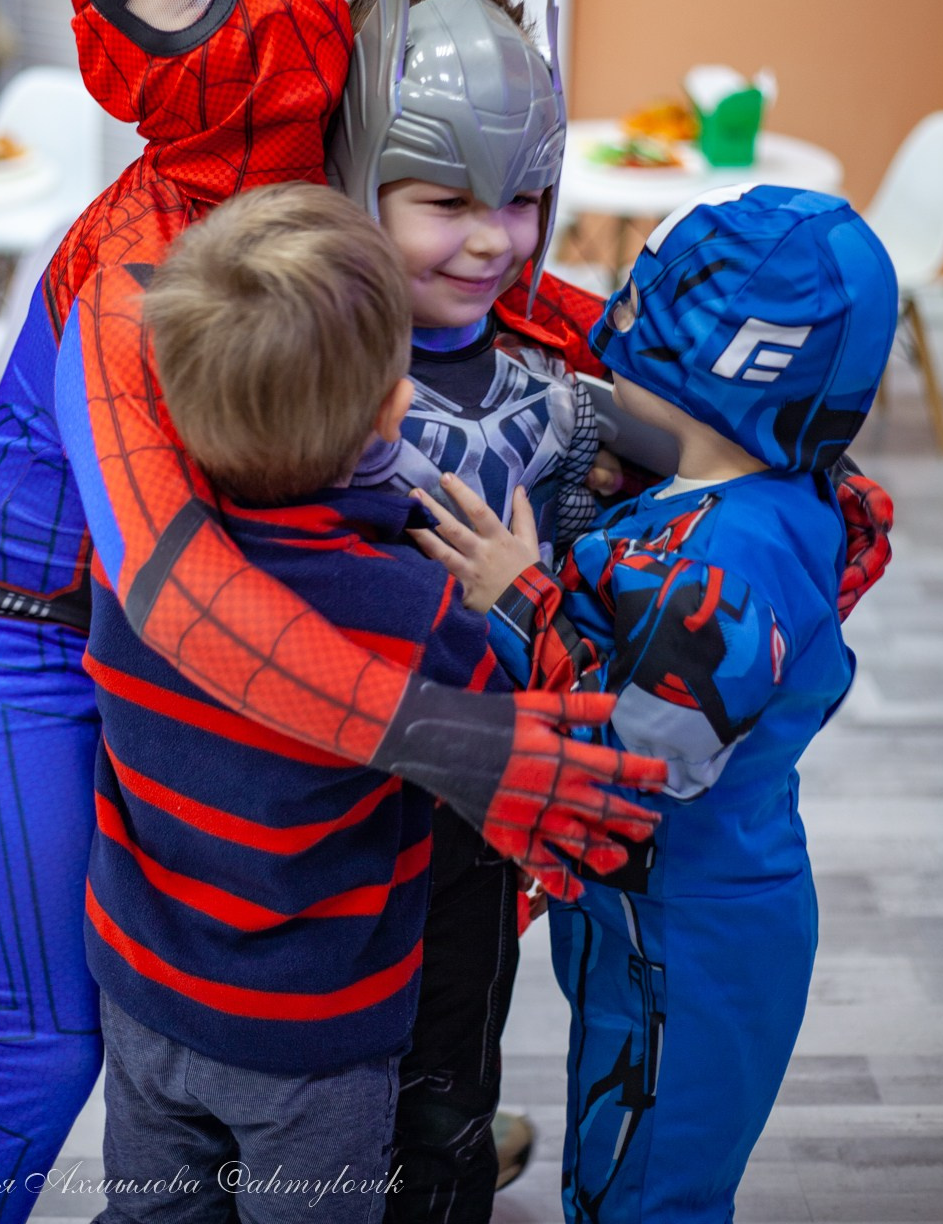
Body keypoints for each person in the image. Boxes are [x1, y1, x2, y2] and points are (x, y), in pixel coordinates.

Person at [0, 0, 661, 1224]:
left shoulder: (340, 171)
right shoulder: (131, 272)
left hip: (244, 621)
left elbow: (495, 279)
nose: (261, 16)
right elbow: (171, 586)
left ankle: (391, 1131)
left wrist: (738, 419)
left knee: (316, 906)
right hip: (25, 625)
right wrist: (466, 739)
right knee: (48, 1043)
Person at [80, 181, 658, 1224]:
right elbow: (515, 735)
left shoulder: (131, 570)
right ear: (397, 407)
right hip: (314, 1036)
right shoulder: (409, 604)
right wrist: (518, 584)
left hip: (145, 994)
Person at [410, 183, 899, 1224]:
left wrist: (517, 593)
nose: (609, 334)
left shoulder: (734, 555)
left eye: (631, 316)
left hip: (692, 934)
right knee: (612, 1161)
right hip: (653, 916)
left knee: (646, 1189)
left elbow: (643, 755)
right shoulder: (744, 492)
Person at [327, 0, 618, 1220]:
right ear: (358, 178)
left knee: (449, 1071)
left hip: (484, 825)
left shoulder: (562, 377)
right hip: (324, 814)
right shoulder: (301, 370)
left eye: (525, 198)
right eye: (446, 200)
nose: (493, 237)